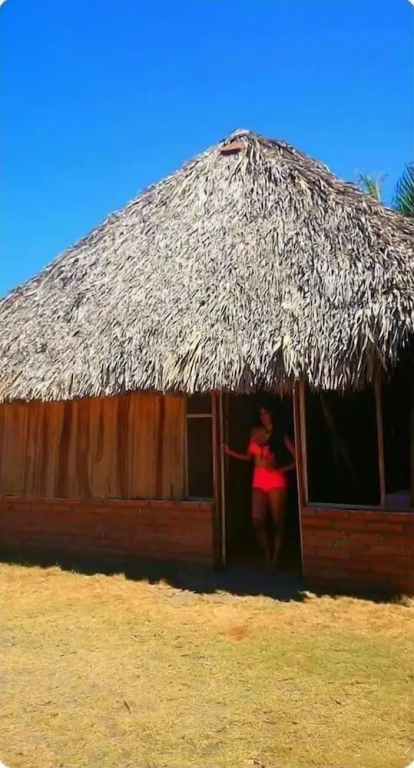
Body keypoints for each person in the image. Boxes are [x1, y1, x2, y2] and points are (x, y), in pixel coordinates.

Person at [222, 401, 296, 569]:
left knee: (277, 522)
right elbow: (248, 456)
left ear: (272, 415)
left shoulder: (280, 434)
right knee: (257, 520)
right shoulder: (255, 432)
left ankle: (275, 560)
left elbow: (297, 459)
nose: (262, 417)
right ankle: (267, 554)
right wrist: (229, 451)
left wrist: (281, 469)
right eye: (261, 414)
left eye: (265, 413)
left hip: (276, 480)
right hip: (258, 479)